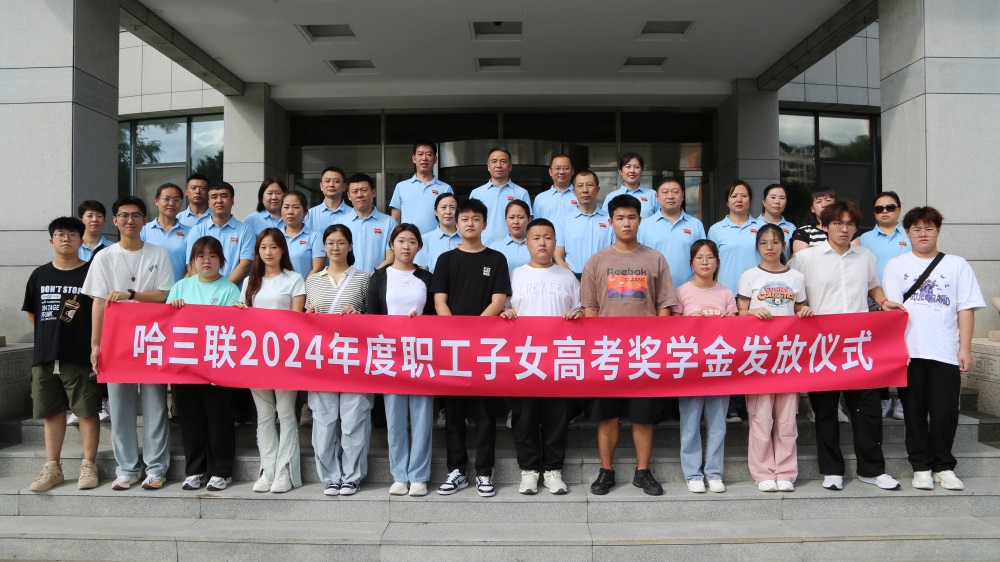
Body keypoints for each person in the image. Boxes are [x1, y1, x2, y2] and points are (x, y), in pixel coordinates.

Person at [789, 200, 904, 491]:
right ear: (825, 226)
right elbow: (791, 289)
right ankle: (831, 470)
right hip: (822, 344)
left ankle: (872, 470)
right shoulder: (806, 258)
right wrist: (800, 307)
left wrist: (883, 301)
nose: (844, 229)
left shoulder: (865, 256)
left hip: (857, 344)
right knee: (825, 410)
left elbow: (873, 285)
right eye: (838, 223)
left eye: (850, 224)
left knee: (867, 408)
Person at [883, 206, 985, 492]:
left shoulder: (957, 265)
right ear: (907, 233)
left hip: (946, 350)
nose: (923, 234)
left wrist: (965, 348)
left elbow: (966, 309)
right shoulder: (896, 265)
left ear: (938, 230)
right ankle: (921, 467)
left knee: (945, 413)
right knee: (914, 412)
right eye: (916, 229)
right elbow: (893, 313)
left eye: (929, 228)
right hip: (910, 353)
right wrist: (897, 350)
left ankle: (944, 466)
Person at [582, 194, 676, 496]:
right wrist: (595, 348)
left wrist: (658, 344)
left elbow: (664, 305)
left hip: (643, 351)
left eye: (632, 217)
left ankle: (643, 471)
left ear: (640, 220)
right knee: (607, 414)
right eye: (620, 218)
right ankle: (606, 470)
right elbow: (590, 308)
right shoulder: (597, 260)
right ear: (610, 222)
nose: (626, 223)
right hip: (607, 351)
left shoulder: (655, 259)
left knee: (643, 415)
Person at [83, 196, 174, 491]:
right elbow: (98, 302)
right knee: (120, 407)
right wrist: (96, 345)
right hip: (116, 340)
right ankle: (127, 468)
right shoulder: (104, 257)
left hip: (152, 337)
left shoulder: (158, 252)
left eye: (136, 215)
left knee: (155, 404)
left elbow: (165, 294)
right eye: (124, 215)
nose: (130, 220)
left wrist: (131, 295)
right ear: (115, 220)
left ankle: (156, 468)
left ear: (145, 220)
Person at [431, 198, 511, 497]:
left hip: (485, 347)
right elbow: (439, 300)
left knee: (485, 414)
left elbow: (498, 301)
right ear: (456, 223)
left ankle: (484, 472)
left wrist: (474, 331)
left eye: (476, 219)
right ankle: (456, 470)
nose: (469, 223)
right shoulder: (446, 259)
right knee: (454, 413)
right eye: (464, 218)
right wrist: (456, 333)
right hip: (453, 348)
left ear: (485, 224)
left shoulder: (497, 259)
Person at [501, 218, 581, 495]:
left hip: (559, 359)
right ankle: (529, 470)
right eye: (536, 238)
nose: (542, 243)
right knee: (524, 417)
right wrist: (505, 313)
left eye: (548, 237)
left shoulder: (567, 276)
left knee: (557, 417)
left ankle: (553, 470)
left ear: (555, 242)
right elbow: (503, 309)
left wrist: (577, 315)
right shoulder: (515, 275)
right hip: (525, 359)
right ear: (527, 243)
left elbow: (580, 309)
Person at [22, 217, 100, 492]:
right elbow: (32, 314)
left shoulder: (91, 273)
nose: (66, 238)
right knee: (52, 411)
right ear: (51, 240)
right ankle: (53, 467)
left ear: (81, 240)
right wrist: (51, 336)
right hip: (45, 354)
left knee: (87, 411)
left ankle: (88, 465)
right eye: (60, 234)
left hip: (79, 354)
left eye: (72, 234)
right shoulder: (40, 275)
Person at [737, 224, 812, 492]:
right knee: (761, 417)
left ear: (783, 245)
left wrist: (805, 311)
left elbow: (800, 308)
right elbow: (739, 313)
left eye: (775, 242)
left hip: (787, 356)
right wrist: (752, 312)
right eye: (763, 243)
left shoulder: (796, 277)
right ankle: (763, 472)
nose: (769, 247)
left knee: (787, 419)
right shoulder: (749, 276)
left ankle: (786, 472)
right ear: (757, 247)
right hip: (758, 356)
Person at [367, 224, 436, 497]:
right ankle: (399, 475)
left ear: (419, 246)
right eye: (401, 241)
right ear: (392, 245)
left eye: (412, 242)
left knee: (422, 416)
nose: (406, 246)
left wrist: (423, 321)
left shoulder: (427, 277)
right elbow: (372, 318)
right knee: (394, 417)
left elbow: (437, 316)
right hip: (390, 354)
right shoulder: (379, 277)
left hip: (420, 354)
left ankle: (419, 476)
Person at [168, 236, 242, 492]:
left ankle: (221, 471)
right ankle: (194, 470)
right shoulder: (181, 286)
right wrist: (173, 307)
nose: (206, 261)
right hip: (187, 366)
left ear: (221, 260)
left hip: (217, 365)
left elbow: (233, 327)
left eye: (212, 256)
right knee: (191, 420)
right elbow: (167, 324)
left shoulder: (229, 289)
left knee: (218, 419)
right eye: (200, 256)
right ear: (193, 261)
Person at [236, 228, 306, 493]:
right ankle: (268, 469)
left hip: (285, 356)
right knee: (265, 415)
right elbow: (242, 316)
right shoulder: (250, 281)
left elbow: (297, 319)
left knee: (286, 414)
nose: (268, 252)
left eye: (274, 247)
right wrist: (240, 311)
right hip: (256, 356)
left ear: (282, 250)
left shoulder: (294, 279)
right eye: (263, 247)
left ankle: (285, 470)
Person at [304, 224, 371, 496]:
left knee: (354, 420)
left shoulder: (364, 278)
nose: (335, 247)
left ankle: (352, 477)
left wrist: (359, 315)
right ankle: (330, 476)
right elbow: (304, 320)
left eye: (341, 242)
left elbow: (375, 319)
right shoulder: (312, 280)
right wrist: (309, 314)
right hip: (322, 361)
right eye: (330, 242)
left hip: (355, 359)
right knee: (324, 420)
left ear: (350, 246)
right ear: (324, 247)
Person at [671, 239, 734, 494]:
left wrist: (731, 320)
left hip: (719, 367)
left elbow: (736, 333)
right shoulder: (681, 292)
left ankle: (714, 472)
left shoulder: (726, 293)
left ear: (718, 262)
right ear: (691, 263)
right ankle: (693, 473)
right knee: (690, 422)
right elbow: (673, 329)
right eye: (700, 258)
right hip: (691, 367)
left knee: (718, 422)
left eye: (710, 257)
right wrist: (690, 322)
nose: (705, 262)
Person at [708, 180, 762, 423]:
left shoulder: (761, 226)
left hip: (756, 299)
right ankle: (731, 405)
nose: (739, 199)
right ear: (726, 200)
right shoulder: (716, 229)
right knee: (729, 351)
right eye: (733, 195)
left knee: (753, 350)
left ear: (751, 200)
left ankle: (752, 404)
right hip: (726, 297)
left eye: (743, 195)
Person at [855, 191, 911, 420]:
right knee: (877, 352)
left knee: (904, 351)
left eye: (890, 207)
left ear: (899, 209)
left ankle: (903, 400)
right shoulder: (864, 239)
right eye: (879, 209)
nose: (885, 212)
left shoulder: (910, 235)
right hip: (874, 301)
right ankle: (882, 398)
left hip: (905, 303)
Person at [638, 176, 706, 290]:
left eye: (675, 192)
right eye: (665, 192)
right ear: (657, 196)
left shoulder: (695, 224)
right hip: (654, 290)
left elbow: (703, 257)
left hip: (689, 290)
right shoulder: (645, 225)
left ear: (682, 195)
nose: (670, 196)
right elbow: (638, 259)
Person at [186, 181, 255, 285]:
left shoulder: (246, 230)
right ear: (209, 202)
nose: (219, 200)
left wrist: (224, 289)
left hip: (234, 291)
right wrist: (204, 289)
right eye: (214, 197)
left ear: (232, 201)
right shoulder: (197, 230)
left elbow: (245, 264)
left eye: (224, 196)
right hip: (203, 292)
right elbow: (192, 264)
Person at [554, 170, 614, 278]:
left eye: (589, 185)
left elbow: (617, 253)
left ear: (598, 190)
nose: (585, 190)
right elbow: (558, 256)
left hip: (604, 278)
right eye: (580, 186)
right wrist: (573, 280)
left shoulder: (610, 220)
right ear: (574, 191)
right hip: (572, 278)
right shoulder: (562, 221)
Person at [470, 146, 532, 246]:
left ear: (510, 166)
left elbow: (529, 224)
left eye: (503, 161)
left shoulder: (521, 193)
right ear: (488, 166)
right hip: (483, 247)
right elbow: (470, 223)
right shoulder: (476, 193)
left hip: (513, 247)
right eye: (494, 161)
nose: (498, 165)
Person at [389, 140, 454, 234]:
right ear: (414, 158)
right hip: (409, 241)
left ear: (435, 159)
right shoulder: (401, 187)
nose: (424, 158)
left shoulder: (445, 188)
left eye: (428, 154)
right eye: (420, 154)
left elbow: (452, 220)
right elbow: (395, 219)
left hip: (437, 241)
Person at [141, 183, 192, 286]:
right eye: (166, 199)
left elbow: (193, 266)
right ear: (156, 201)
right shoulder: (144, 230)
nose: (171, 203)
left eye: (176, 200)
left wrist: (178, 289)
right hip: (149, 291)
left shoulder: (190, 232)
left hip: (179, 292)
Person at [345, 173, 396, 273]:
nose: (359, 195)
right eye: (355, 191)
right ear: (349, 196)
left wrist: (373, 278)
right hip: (348, 280)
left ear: (373, 192)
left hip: (378, 279)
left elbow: (391, 257)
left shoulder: (389, 222)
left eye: (364, 190)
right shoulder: (340, 223)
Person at [279, 191, 325, 278]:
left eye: (295, 207)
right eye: (286, 207)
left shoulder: (315, 236)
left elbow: (318, 268)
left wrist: (302, 285)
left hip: (306, 285)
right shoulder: (275, 236)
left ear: (305, 212)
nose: (290, 212)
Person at [415, 192, 460, 273]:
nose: (448, 212)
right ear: (436, 211)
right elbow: (420, 270)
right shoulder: (425, 240)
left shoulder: (467, 238)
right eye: (443, 207)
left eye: (452, 207)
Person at [601, 153, 657, 217]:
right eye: (628, 167)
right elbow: (605, 221)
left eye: (636, 167)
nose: (632, 171)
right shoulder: (611, 197)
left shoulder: (653, 195)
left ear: (641, 171)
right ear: (621, 171)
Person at [305, 166, 352, 234]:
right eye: (327, 181)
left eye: (336, 181)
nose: (331, 185)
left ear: (344, 187)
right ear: (321, 186)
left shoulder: (353, 214)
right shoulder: (310, 215)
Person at [790, 187, 836, 255]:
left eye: (828, 200)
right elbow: (801, 259)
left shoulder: (847, 229)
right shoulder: (803, 232)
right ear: (812, 209)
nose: (824, 205)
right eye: (819, 202)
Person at [488, 200, 531, 272]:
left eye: (520, 217)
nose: (516, 222)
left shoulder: (537, 245)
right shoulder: (495, 247)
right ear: (506, 220)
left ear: (529, 220)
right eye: (511, 217)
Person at [758, 183, 796, 258]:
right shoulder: (753, 225)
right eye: (773, 197)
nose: (777, 202)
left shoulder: (791, 228)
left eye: (782, 198)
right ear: (764, 202)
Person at [532, 154, 576, 220]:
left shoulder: (581, 196)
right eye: (557, 168)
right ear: (550, 172)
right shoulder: (540, 198)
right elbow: (536, 224)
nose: (561, 172)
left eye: (566, 168)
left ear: (572, 171)